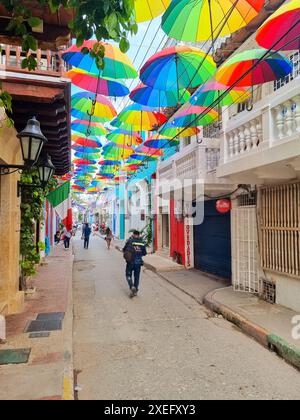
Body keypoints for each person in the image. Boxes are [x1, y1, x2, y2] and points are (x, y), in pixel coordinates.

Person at [123, 230, 147, 298]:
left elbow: (124, 249)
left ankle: (131, 286)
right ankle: (135, 290)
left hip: (130, 262)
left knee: (128, 274)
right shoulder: (142, 243)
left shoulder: (130, 241)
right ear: (139, 235)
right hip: (138, 263)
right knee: (137, 277)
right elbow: (144, 253)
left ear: (133, 235)